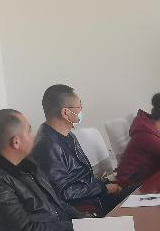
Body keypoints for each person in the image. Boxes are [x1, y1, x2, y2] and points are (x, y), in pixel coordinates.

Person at [31, 84, 130, 215]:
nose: (81, 111)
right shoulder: (47, 146)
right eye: (79, 107)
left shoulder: (67, 134)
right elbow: (65, 192)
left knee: (139, 189)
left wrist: (103, 185)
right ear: (65, 113)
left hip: (94, 195)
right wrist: (104, 188)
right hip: (86, 208)